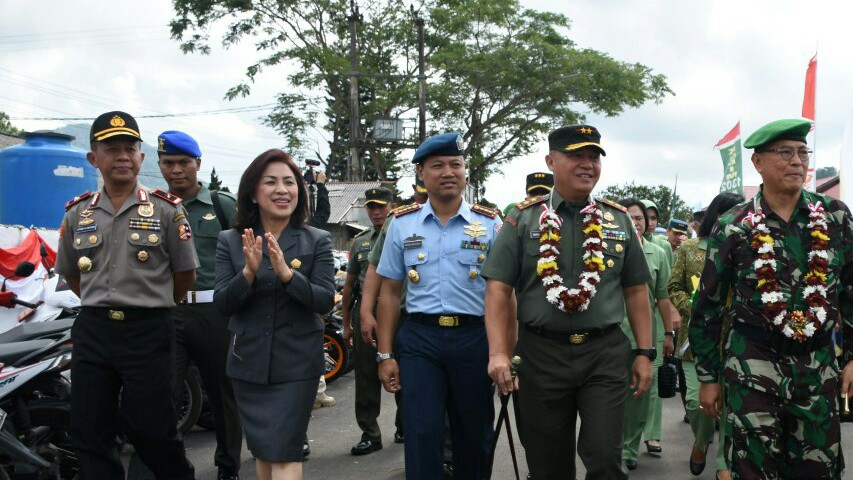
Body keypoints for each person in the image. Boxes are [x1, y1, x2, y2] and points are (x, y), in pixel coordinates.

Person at [483, 125, 654, 479]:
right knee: (548, 465)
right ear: (551, 161)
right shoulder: (522, 219)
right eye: (576, 155)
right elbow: (499, 290)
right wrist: (499, 353)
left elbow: (637, 291)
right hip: (540, 354)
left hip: (604, 354)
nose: (587, 164)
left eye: (593, 157)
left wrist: (644, 353)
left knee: (606, 457)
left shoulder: (619, 219)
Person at [690, 118, 853, 479]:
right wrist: (707, 376)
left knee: (818, 469)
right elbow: (708, 306)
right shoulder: (735, 224)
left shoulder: (835, 217)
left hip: (818, 367)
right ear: (758, 162)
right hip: (753, 367)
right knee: (751, 469)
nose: (797, 161)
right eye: (785, 153)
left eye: (802, 152)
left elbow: (850, 292)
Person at [55, 111, 197, 479]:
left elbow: (185, 274)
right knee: (91, 429)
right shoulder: (77, 213)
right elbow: (71, 274)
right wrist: (102, 301)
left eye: (129, 148)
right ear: (94, 159)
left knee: (152, 429)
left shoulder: (167, 210)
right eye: (111, 148)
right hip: (94, 331)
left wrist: (154, 304)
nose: (122, 156)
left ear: (140, 157)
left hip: (148, 330)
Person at [376, 132, 501, 480]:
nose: (448, 172)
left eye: (456, 165)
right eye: (438, 166)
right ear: (421, 174)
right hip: (421, 340)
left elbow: (505, 295)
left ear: (465, 172)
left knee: (474, 434)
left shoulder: (490, 224)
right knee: (421, 431)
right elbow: (389, 291)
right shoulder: (401, 223)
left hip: (474, 338)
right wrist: (385, 355)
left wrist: (505, 352)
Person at [214, 149, 335, 480]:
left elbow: (324, 300)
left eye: (289, 182)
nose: (283, 190)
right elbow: (223, 303)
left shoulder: (318, 240)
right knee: (264, 455)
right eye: (271, 182)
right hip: (248, 365)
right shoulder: (230, 241)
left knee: (284, 454)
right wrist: (248, 274)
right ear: (253, 192)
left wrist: (286, 274)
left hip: (297, 366)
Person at [157, 130, 243, 480]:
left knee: (224, 395)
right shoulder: (153, 207)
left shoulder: (222, 206)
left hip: (214, 312)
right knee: (164, 393)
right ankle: (174, 468)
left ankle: (228, 467)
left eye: (183, 162)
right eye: (168, 163)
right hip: (169, 311)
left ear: (198, 164)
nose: (176, 170)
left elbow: (245, 256)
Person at [669, 192, 742, 480]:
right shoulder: (689, 249)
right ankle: (701, 442)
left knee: (729, 405)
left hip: (735, 340)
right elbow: (674, 288)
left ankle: (724, 462)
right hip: (696, 339)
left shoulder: (748, 246)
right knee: (695, 403)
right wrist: (698, 308)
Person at [341, 187, 403, 455]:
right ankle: (370, 433)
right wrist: (346, 323)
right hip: (366, 312)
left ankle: (405, 426)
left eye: (381, 206)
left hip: (398, 311)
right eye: (371, 207)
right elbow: (349, 285)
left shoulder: (402, 233)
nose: (376, 212)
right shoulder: (360, 241)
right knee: (366, 375)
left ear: (392, 206)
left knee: (403, 369)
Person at [617, 197, 676, 471]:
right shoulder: (607, 249)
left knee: (638, 397)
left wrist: (668, 334)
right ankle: (611, 447)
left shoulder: (659, 253)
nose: (635, 222)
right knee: (610, 396)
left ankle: (629, 447)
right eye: (628, 217)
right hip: (612, 335)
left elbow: (663, 297)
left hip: (644, 338)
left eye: (639, 217)